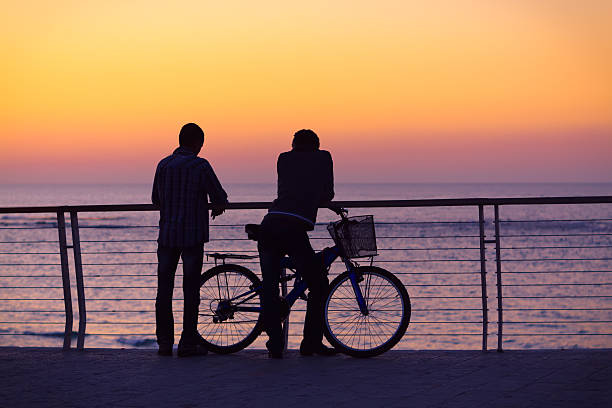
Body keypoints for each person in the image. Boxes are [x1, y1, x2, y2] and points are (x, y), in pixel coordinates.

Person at [257, 129, 338, 358]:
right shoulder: (324, 157)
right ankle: (311, 343)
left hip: (270, 224)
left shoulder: (283, 158)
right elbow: (328, 194)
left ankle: (275, 345)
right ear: (317, 145)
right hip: (293, 228)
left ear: (293, 145)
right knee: (319, 284)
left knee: (271, 287)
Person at [152, 123, 228, 357]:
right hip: (192, 235)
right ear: (197, 142)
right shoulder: (200, 165)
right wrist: (216, 205)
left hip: (167, 235)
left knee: (164, 290)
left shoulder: (163, 164)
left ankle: (164, 342)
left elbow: (155, 199)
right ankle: (187, 343)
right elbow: (219, 195)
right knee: (190, 290)